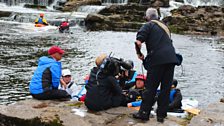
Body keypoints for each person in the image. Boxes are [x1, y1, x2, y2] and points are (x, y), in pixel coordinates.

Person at [133, 8, 179, 123]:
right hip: (171, 59)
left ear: (147, 17)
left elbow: (138, 42)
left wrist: (139, 54)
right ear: (157, 16)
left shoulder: (148, 25)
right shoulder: (165, 27)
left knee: (150, 88)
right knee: (165, 88)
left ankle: (143, 113)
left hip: (157, 60)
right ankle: (161, 116)